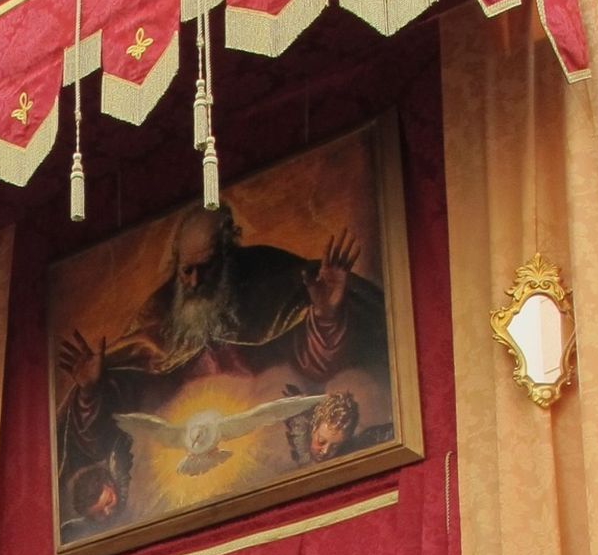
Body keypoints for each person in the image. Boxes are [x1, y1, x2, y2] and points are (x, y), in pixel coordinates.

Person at [56, 203, 388, 532]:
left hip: (271, 471)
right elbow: (106, 429)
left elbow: (317, 367)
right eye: (186, 270)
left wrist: (327, 318)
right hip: (178, 488)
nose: (195, 280)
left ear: (228, 258)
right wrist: (90, 393)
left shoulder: (271, 285)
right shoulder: (157, 319)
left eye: (206, 267)